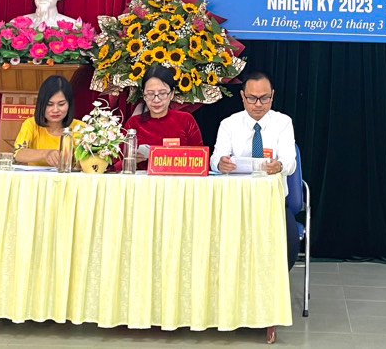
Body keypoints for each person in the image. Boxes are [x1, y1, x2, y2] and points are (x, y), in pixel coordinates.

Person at [211, 71, 299, 269]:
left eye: (264, 98)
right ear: (242, 96)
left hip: (272, 202)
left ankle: (273, 283)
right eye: (252, 98)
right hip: (236, 202)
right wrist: (220, 164)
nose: (258, 104)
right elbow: (215, 158)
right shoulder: (229, 124)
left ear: (272, 96)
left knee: (289, 245)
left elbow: (290, 161)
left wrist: (280, 165)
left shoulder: (283, 123)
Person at [123, 67, 203, 165]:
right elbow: (116, 164)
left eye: (162, 93)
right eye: (150, 94)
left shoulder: (186, 120)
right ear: (144, 95)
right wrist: (131, 160)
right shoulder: (133, 124)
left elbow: (201, 159)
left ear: (172, 94)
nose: (156, 100)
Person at [13, 75, 75, 167]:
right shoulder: (31, 124)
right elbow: (18, 153)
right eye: (49, 104)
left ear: (69, 104)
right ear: (41, 104)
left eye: (61, 104)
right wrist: (46, 154)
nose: (55, 110)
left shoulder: (80, 128)